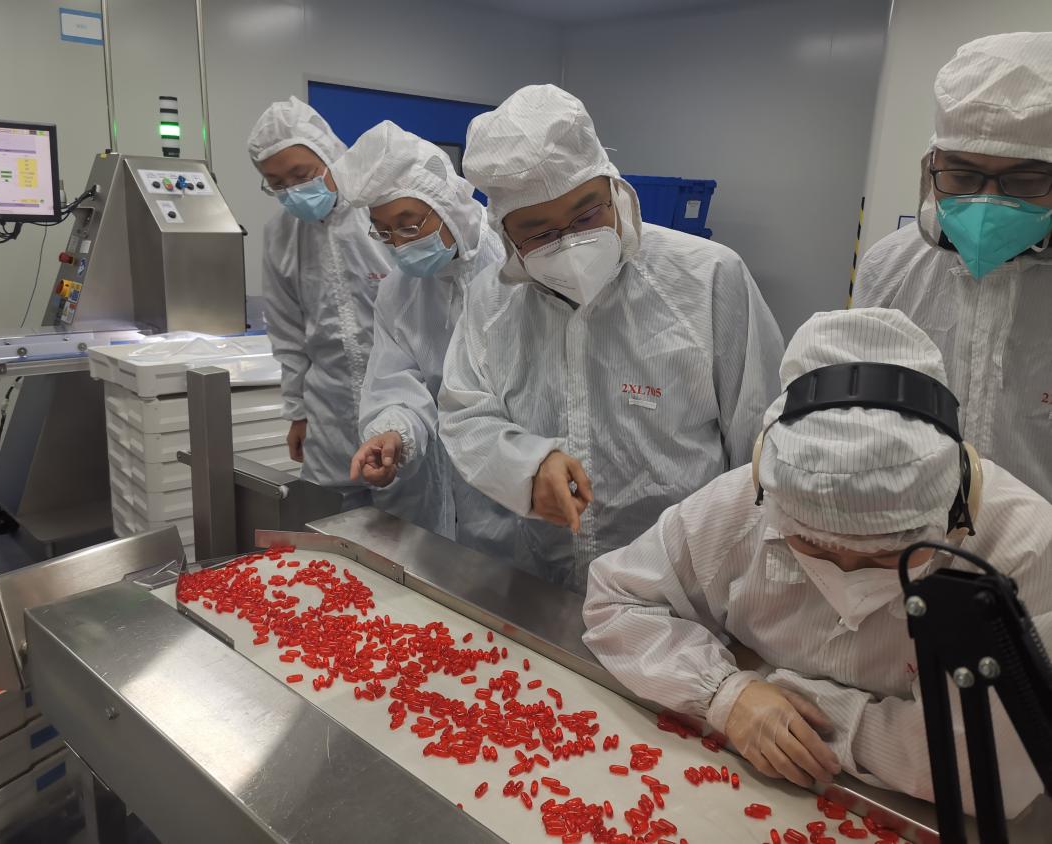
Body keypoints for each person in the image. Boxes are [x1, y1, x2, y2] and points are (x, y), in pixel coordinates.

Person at [582, 308, 1052, 818]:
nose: (846, 572)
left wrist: (772, 685)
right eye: (813, 546)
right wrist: (724, 692)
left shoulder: (1026, 551)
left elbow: (986, 768)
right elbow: (615, 600)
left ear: (954, 508)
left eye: (885, 554)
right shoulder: (747, 503)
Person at [438, 84, 784, 591]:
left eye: (586, 215)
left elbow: (760, 438)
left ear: (615, 190)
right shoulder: (492, 300)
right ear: (506, 233)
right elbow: (465, 412)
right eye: (540, 234)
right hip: (545, 577)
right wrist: (526, 466)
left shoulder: (708, 277)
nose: (571, 245)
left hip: (682, 588)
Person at [853, 32, 1052, 503]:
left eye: (1025, 180)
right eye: (961, 175)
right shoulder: (890, 267)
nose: (987, 203)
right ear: (931, 167)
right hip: (905, 534)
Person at [330, 121, 519, 559]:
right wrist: (393, 432)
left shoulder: (513, 269)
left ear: (447, 205)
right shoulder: (400, 290)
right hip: (444, 489)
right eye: (383, 231)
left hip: (519, 484)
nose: (398, 245)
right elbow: (398, 382)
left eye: (409, 226)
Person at [247, 97, 392, 508]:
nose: (293, 190)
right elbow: (287, 332)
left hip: (401, 401)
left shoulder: (378, 213)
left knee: (411, 526)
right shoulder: (280, 234)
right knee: (333, 520)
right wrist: (297, 412)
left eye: (301, 174)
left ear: (330, 155)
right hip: (329, 413)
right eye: (277, 183)